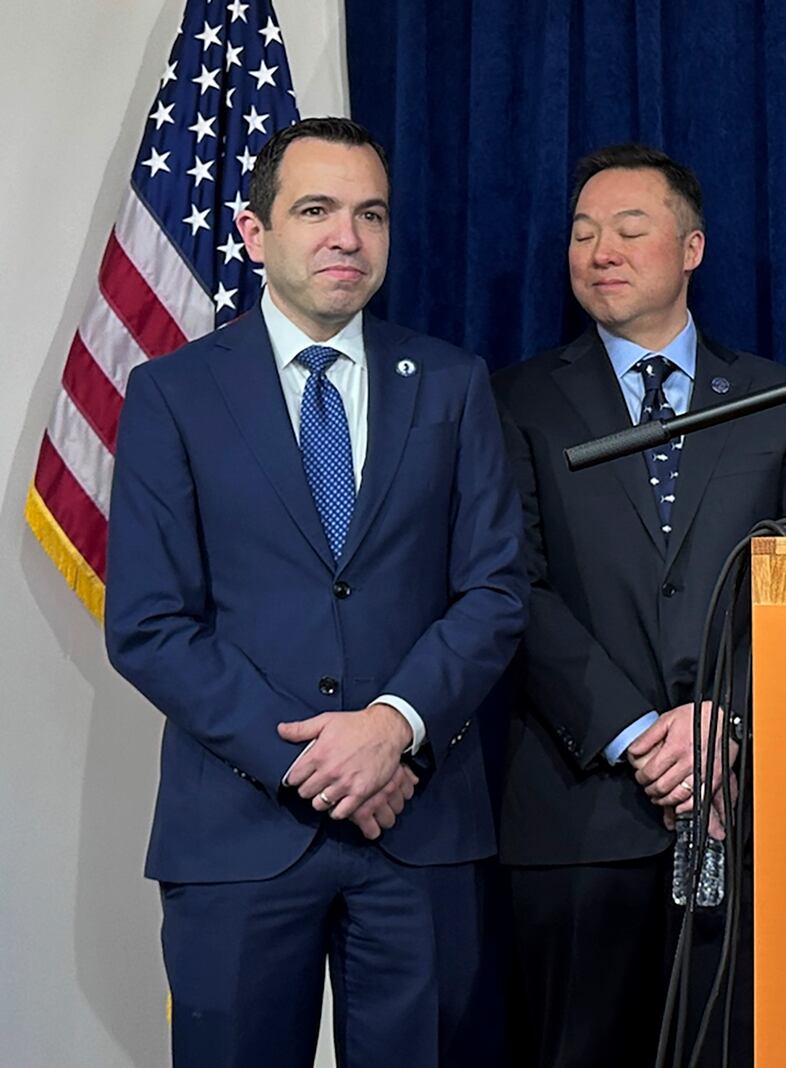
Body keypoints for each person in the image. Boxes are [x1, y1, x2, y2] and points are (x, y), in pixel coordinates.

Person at [104, 117, 526, 1067]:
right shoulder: (171, 394)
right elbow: (149, 624)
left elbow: (495, 590)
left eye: (371, 214)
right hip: (240, 836)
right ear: (255, 235)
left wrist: (393, 726)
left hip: (419, 823)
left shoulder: (453, 385)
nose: (348, 236)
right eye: (317, 210)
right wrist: (321, 764)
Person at [495, 143, 786, 1066]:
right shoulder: (513, 401)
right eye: (582, 232)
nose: (600, 249)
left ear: (690, 248)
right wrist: (639, 730)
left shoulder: (782, 401)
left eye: (628, 229)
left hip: (742, 801)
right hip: (577, 814)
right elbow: (510, 589)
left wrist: (727, 719)